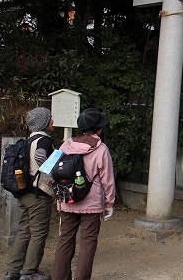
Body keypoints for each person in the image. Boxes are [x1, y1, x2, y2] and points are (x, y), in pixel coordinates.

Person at [53, 108, 115, 280]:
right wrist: (109, 204)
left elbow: (53, 170)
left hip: (67, 198)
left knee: (65, 239)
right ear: (98, 129)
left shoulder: (66, 145)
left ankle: (60, 277)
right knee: (88, 243)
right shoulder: (101, 148)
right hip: (91, 202)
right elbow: (107, 180)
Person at [3, 107, 56, 280]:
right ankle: (29, 272)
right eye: (50, 119)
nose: (52, 122)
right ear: (43, 123)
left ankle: (13, 270)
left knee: (24, 231)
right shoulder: (44, 141)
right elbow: (41, 157)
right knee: (38, 232)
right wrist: (50, 174)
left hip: (24, 192)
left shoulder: (28, 140)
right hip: (38, 194)